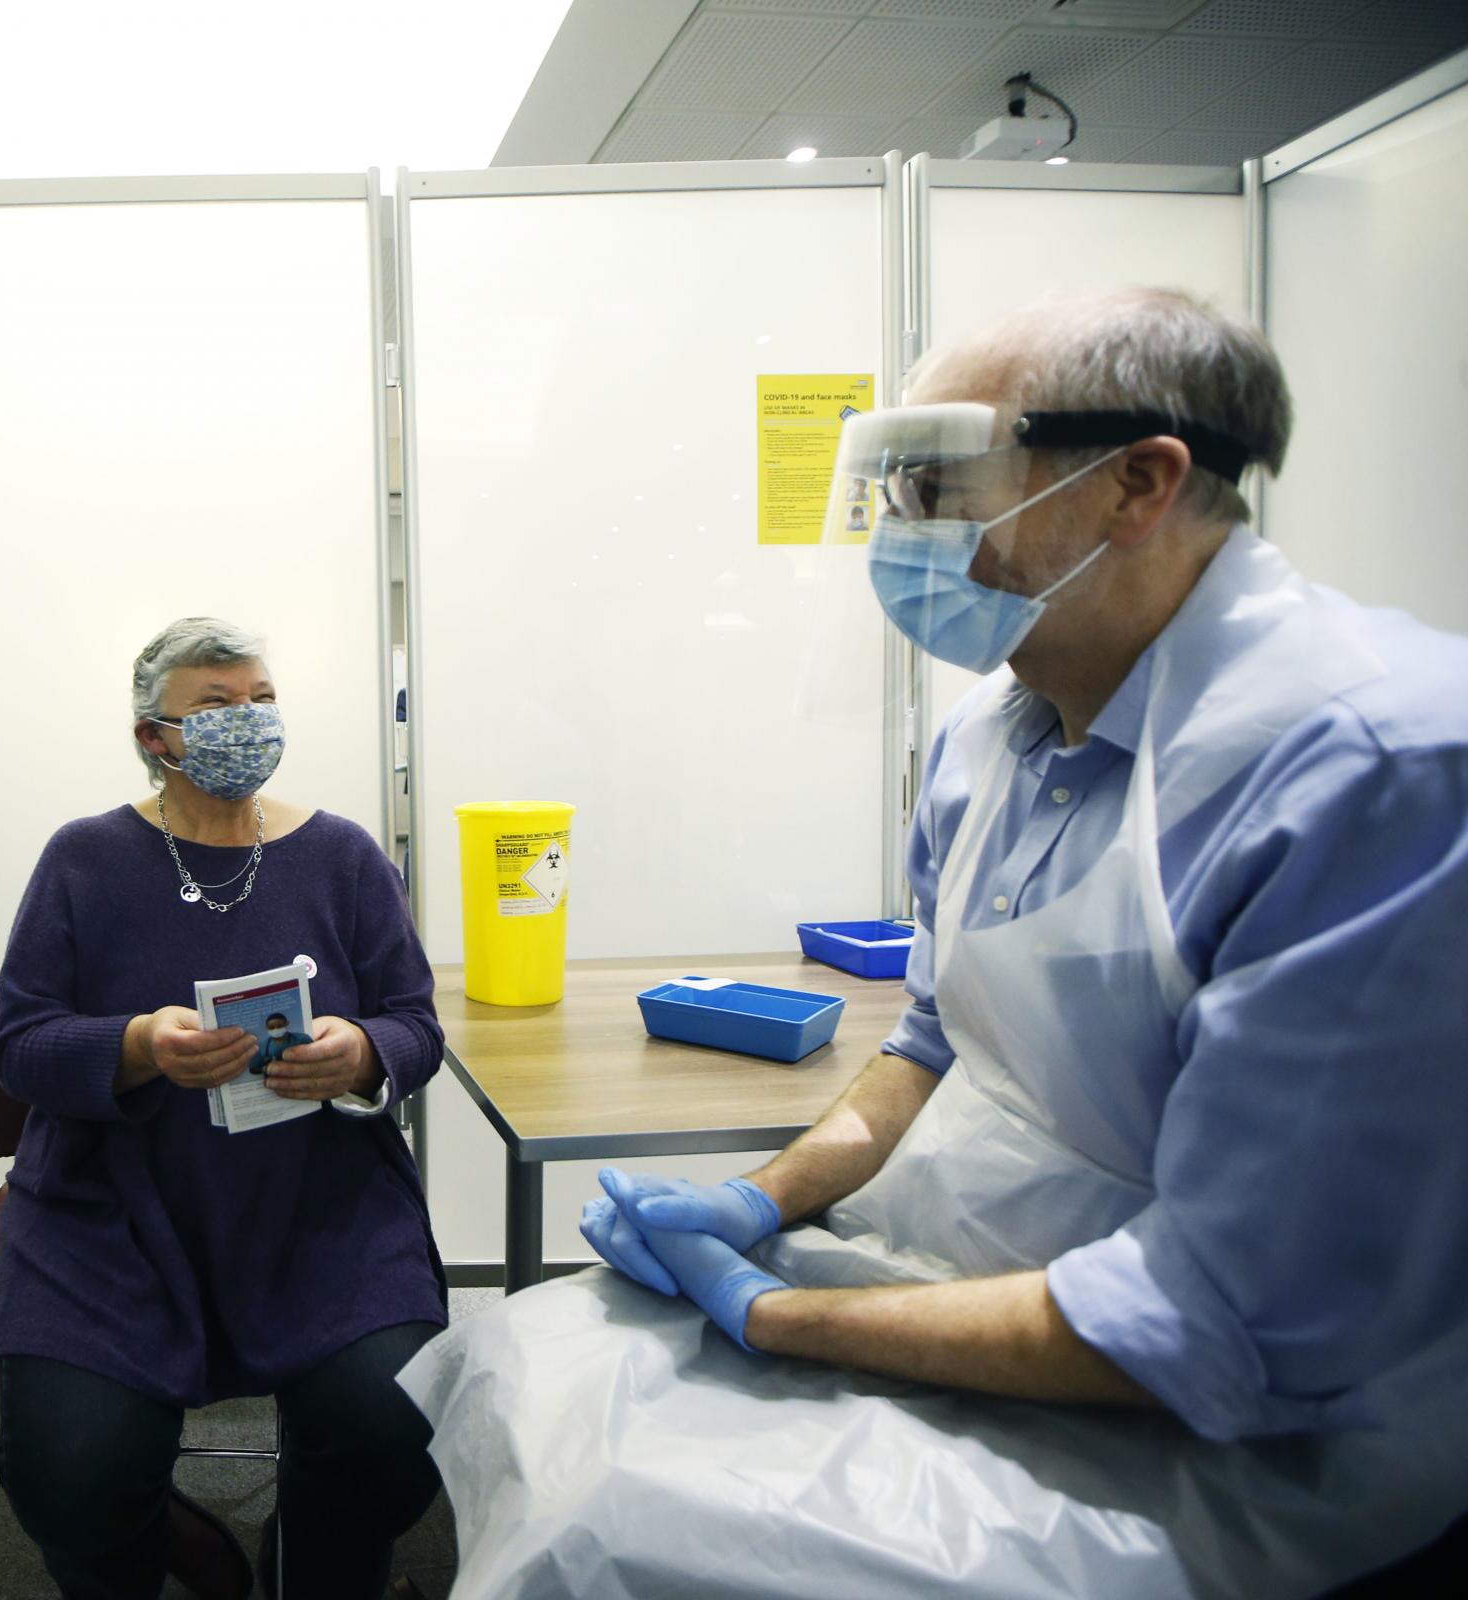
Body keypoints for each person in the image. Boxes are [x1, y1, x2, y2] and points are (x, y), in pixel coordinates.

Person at [400, 289, 1468, 1599]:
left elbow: (1224, 1325)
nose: (900, 530)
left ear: (1139, 482)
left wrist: (778, 1313)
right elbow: (929, 1043)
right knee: (543, 1369)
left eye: (941, 481)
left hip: (1240, 1429)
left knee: (647, 1535)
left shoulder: (1374, 772)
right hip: (960, 1273)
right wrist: (761, 1200)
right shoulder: (989, 739)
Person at [0, 617, 447, 1599]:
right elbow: (19, 1046)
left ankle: (312, 1568)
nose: (249, 719)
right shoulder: (84, 860)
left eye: (261, 699)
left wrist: (365, 1051)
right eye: (216, 703)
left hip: (318, 1212)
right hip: (111, 1222)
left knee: (390, 1431)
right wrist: (138, 1046)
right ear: (156, 736)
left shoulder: (343, 858)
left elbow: (417, 1025)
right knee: (73, 1473)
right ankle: (160, 1540)